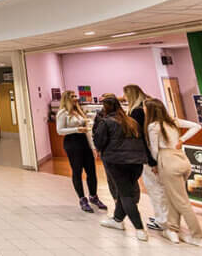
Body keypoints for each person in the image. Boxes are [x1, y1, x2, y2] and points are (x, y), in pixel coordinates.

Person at [143, 98, 202, 247]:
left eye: (145, 108)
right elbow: (196, 126)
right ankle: (173, 229)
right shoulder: (173, 122)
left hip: (167, 161)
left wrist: (155, 164)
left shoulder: (153, 126)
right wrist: (181, 140)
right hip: (182, 160)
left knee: (181, 201)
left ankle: (198, 236)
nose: (143, 110)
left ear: (150, 110)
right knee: (173, 196)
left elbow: (154, 149)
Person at [93, 95, 148, 241]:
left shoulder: (105, 122)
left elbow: (99, 141)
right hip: (136, 163)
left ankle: (139, 229)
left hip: (117, 162)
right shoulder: (131, 121)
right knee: (127, 191)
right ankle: (117, 220)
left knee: (125, 195)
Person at [124, 84, 167, 232]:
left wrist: (150, 160)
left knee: (155, 188)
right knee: (159, 188)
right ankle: (163, 217)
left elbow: (143, 138)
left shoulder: (137, 112)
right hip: (160, 155)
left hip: (148, 156)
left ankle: (163, 220)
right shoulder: (149, 107)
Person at [56, 90, 106, 213]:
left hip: (84, 142)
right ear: (66, 99)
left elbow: (87, 131)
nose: (76, 98)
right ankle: (82, 199)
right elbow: (60, 131)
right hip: (72, 144)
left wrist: (93, 147)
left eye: (75, 96)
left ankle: (93, 196)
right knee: (77, 171)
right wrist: (76, 129)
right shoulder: (63, 113)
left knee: (91, 172)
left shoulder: (79, 111)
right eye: (72, 96)